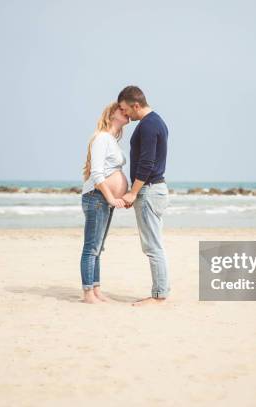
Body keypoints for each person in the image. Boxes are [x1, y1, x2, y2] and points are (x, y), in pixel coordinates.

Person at [118, 86, 170, 306]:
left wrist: (132, 192)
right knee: (155, 244)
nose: (124, 114)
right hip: (154, 189)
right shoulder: (157, 121)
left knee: (152, 246)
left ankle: (159, 295)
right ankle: (162, 290)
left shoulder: (148, 125)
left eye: (125, 109)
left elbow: (147, 163)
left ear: (135, 105)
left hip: (149, 190)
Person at [80, 102, 130, 304]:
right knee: (91, 247)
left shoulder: (111, 140)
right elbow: (97, 173)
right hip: (97, 197)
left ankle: (97, 289)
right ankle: (87, 293)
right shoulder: (101, 138)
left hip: (104, 200)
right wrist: (111, 197)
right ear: (112, 114)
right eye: (121, 109)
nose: (126, 112)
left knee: (98, 247)